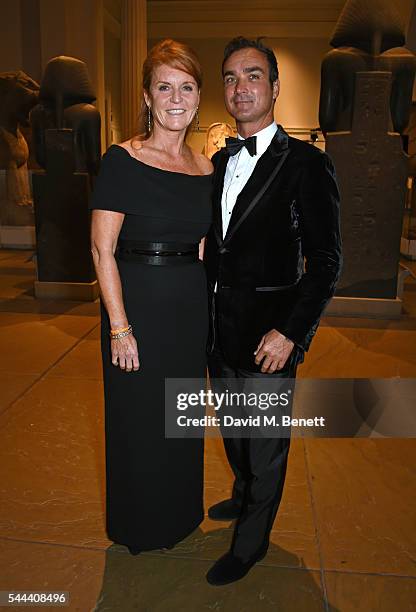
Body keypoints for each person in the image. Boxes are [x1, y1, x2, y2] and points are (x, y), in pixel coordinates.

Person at [204, 37, 342, 585]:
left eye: (253, 75)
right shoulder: (215, 163)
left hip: (270, 339)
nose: (241, 87)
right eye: (231, 77)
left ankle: (252, 542)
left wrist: (291, 332)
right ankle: (243, 496)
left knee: (265, 447)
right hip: (219, 334)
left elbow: (326, 261)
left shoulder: (307, 164)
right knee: (234, 433)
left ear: (275, 88)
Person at [89, 39, 213, 555]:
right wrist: (120, 326)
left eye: (186, 86)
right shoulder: (122, 160)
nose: (176, 97)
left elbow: (204, 246)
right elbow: (102, 248)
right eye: (165, 86)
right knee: (139, 422)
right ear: (147, 97)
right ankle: (140, 526)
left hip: (187, 311)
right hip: (136, 311)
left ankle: (180, 515)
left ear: (199, 96)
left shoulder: (206, 168)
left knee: (180, 417)